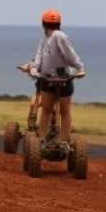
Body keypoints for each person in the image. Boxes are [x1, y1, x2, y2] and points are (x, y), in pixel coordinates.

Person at [28, 9, 85, 142]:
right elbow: (69, 56)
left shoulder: (57, 36)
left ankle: (51, 141)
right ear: (59, 23)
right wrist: (34, 69)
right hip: (56, 79)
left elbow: (70, 55)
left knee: (50, 112)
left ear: (43, 24)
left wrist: (80, 67)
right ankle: (50, 141)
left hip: (55, 79)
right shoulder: (46, 39)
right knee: (61, 112)